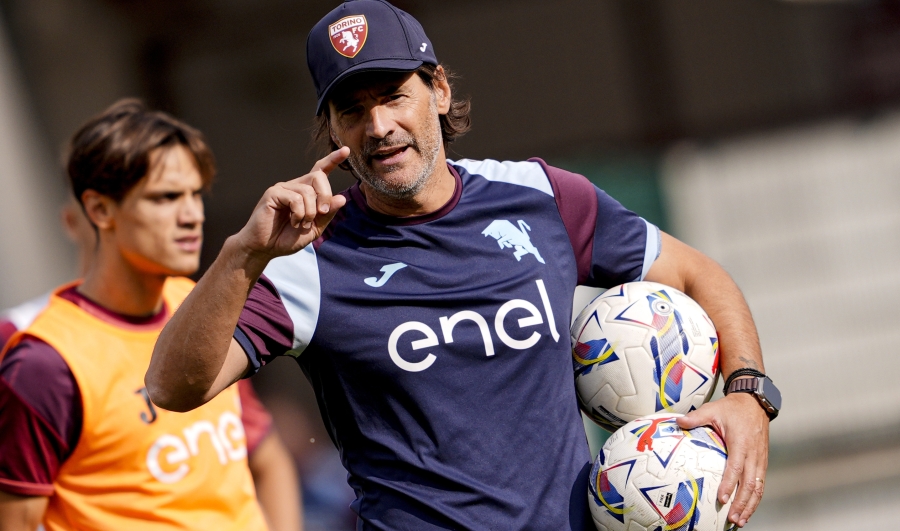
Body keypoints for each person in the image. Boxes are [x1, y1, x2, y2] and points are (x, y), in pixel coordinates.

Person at [146, 1, 780, 529]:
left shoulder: (543, 198)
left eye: (394, 96)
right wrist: (241, 257)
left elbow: (700, 275)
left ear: (439, 90)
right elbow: (174, 389)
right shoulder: (302, 261)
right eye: (352, 111)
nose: (379, 126)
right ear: (331, 130)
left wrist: (749, 394)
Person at [0, 99, 302, 531]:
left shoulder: (200, 305)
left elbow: (268, 459)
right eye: (166, 198)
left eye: (196, 194)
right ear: (100, 210)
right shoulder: (45, 362)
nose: (192, 215)